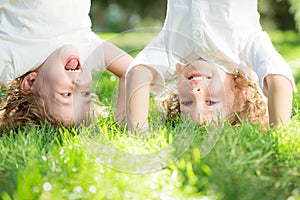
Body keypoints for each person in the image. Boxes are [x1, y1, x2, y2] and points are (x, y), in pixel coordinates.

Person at [125, 0, 296, 131]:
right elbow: (278, 78)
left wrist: (139, 133)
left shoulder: (173, 48)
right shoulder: (244, 46)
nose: (195, 93)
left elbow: (137, 72)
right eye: (210, 102)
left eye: (187, 102)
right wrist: (277, 133)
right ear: (241, 92)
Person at [0, 0, 132, 131]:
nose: (79, 82)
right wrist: (124, 123)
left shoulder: (13, 59)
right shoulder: (86, 49)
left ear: (31, 82)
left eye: (67, 94)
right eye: (85, 93)